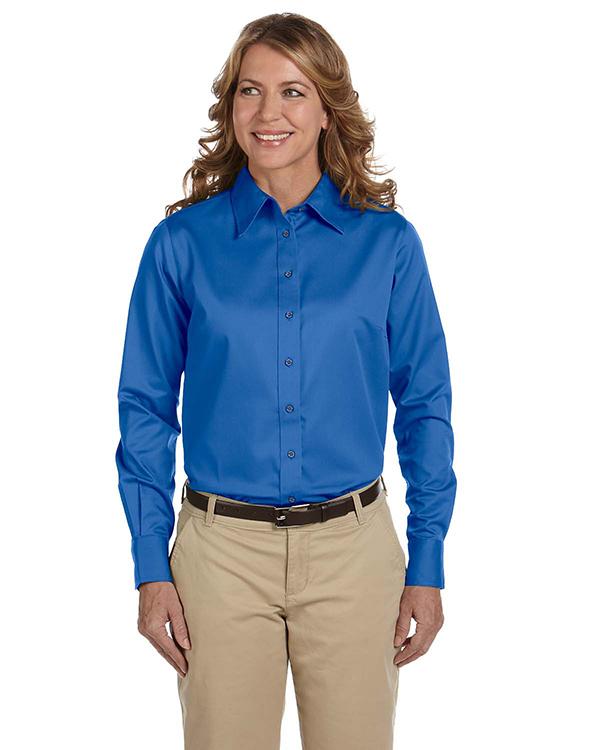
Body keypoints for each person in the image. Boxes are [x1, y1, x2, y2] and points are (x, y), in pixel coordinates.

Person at [115, 12, 457, 750]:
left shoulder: (388, 244)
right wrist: (149, 566)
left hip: (354, 553)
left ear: (328, 109)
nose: (269, 112)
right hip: (219, 557)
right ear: (230, 106)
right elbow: (145, 409)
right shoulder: (180, 245)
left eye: (293, 91)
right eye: (250, 90)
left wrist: (427, 560)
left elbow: (425, 406)